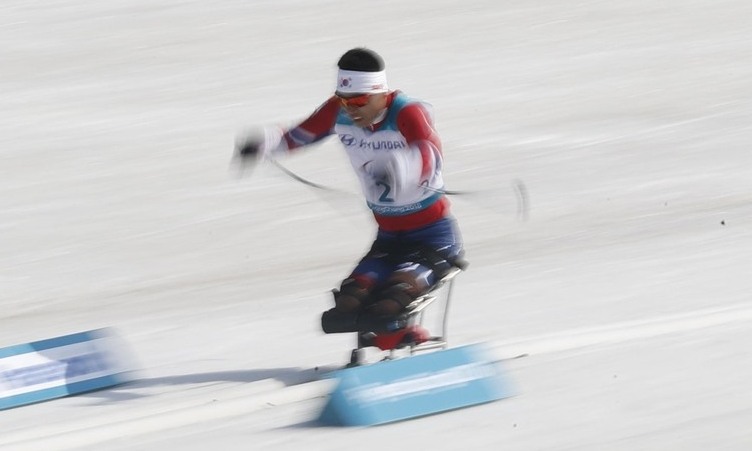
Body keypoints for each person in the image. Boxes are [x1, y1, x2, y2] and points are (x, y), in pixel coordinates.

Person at [235, 48, 465, 349]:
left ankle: (406, 341)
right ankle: (392, 342)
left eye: (358, 101)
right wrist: (264, 144)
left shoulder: (407, 112)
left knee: (390, 303)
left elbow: (430, 153)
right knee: (345, 308)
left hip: (433, 238)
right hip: (389, 239)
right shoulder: (338, 111)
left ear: (380, 93)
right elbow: (299, 135)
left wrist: (399, 168)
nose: (350, 109)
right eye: (344, 100)